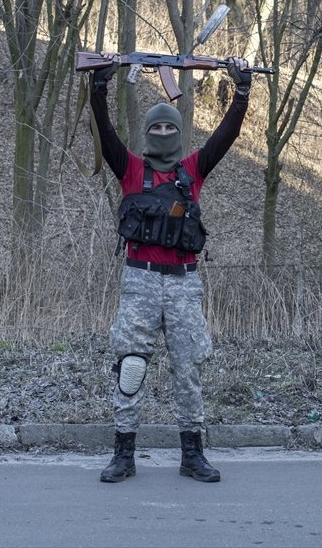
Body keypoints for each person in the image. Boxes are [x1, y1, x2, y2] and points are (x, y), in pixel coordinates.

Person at [89, 56, 253, 483]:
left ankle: (192, 454)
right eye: (156, 128)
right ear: (146, 134)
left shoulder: (192, 171)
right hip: (139, 280)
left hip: (183, 285)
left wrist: (241, 93)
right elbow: (105, 135)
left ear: (179, 135)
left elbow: (225, 137)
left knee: (188, 368)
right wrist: (99, 88)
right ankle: (124, 454)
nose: (163, 133)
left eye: (170, 128)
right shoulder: (132, 171)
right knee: (131, 366)